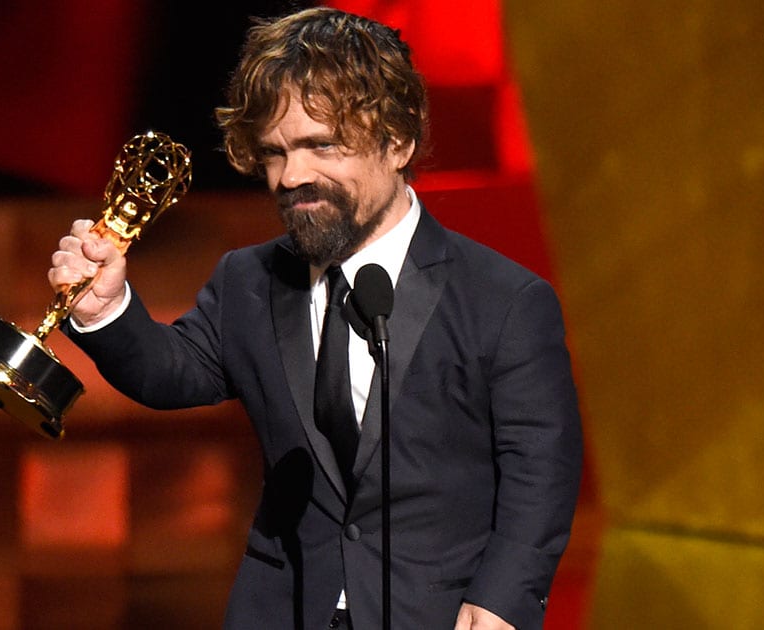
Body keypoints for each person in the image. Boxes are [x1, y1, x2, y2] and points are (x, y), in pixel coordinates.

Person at [48, 7, 582, 630]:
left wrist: (499, 603)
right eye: (275, 153)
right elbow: (173, 374)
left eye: (320, 145)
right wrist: (105, 309)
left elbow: (540, 468)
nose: (292, 176)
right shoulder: (249, 280)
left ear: (398, 141)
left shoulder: (504, 300)